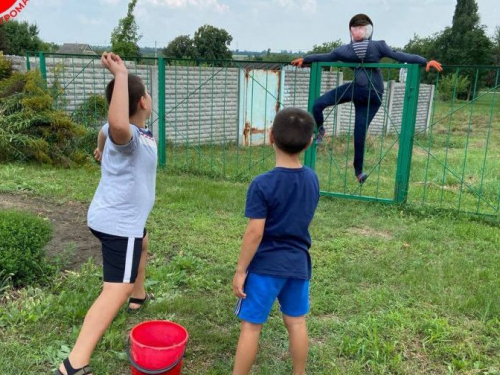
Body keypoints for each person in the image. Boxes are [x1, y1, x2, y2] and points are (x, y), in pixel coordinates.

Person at [56, 52, 157, 375]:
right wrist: (121, 75)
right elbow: (114, 124)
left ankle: (138, 295)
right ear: (142, 102)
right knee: (115, 287)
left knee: (142, 242)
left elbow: (105, 129)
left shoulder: (130, 135)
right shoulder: (127, 137)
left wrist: (100, 147)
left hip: (113, 217)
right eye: (147, 94)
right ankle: (75, 362)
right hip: (119, 223)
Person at [292, 13, 443, 184]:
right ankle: (320, 130)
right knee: (318, 104)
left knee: (359, 133)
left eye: (362, 28)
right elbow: (326, 57)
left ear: (369, 30)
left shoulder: (378, 46)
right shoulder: (345, 50)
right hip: (356, 89)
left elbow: (399, 55)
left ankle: (358, 171)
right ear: (350, 31)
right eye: (355, 28)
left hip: (374, 94)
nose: (358, 31)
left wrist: (424, 61)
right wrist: (306, 60)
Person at [232, 107, 320, 375]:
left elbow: (255, 233)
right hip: (298, 266)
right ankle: (299, 373)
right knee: (296, 323)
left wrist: (240, 270)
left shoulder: (261, 184)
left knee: (251, 326)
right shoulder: (312, 179)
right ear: (310, 141)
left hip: (265, 268)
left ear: (270, 136)